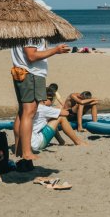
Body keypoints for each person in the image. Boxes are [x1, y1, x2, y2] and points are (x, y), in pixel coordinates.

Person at [10, 37, 70, 167]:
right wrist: (56, 50)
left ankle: (20, 150)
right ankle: (26, 152)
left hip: (24, 73)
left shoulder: (22, 32)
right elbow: (31, 56)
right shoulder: (32, 34)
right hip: (31, 74)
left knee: (22, 112)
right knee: (29, 112)